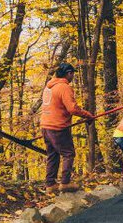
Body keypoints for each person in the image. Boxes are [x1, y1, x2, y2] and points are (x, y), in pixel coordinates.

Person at [40, 63, 94, 193]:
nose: (73, 76)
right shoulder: (64, 87)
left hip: (45, 125)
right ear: (68, 73)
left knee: (52, 155)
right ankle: (65, 183)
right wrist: (87, 115)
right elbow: (72, 108)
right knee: (68, 153)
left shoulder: (49, 87)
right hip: (57, 126)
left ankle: (50, 184)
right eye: (72, 74)